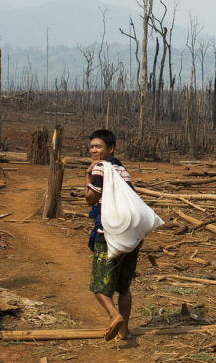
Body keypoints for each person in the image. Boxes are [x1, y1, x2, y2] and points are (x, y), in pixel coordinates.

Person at [84, 129, 139, 341]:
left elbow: (89, 199)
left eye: (98, 147)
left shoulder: (99, 168)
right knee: (124, 287)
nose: (94, 150)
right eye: (91, 147)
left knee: (99, 286)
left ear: (110, 148)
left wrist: (87, 174)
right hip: (131, 235)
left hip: (109, 234)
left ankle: (114, 315)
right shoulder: (122, 169)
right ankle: (124, 331)